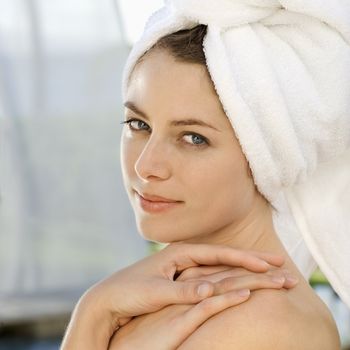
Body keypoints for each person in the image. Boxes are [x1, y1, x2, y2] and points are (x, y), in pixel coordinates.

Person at [62, 0, 350, 348]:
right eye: (138, 124)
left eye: (193, 138)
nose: (146, 166)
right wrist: (95, 310)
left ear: (267, 156)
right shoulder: (152, 298)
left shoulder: (262, 324)